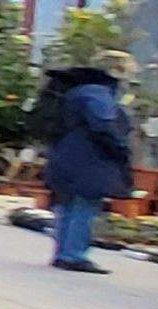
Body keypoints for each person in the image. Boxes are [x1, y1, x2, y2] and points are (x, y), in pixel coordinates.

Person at [45, 49, 141, 274]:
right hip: (88, 157)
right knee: (85, 204)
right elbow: (103, 124)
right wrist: (120, 147)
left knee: (68, 204)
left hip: (68, 153)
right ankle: (74, 255)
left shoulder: (80, 89)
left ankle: (63, 252)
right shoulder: (97, 93)